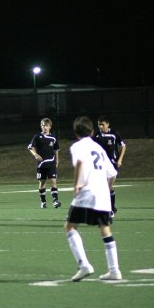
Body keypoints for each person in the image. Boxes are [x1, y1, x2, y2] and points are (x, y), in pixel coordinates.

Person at [65, 115, 122, 281]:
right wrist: (107, 188)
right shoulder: (99, 148)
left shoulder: (77, 146)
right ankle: (114, 270)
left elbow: (80, 163)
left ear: (76, 133)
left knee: (70, 227)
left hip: (86, 193)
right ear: (91, 131)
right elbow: (112, 174)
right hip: (102, 195)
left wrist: (76, 184)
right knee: (105, 229)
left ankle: (84, 265)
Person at [94, 115, 126, 215]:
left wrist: (120, 159)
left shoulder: (114, 134)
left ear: (107, 124)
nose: (100, 127)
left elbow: (123, 146)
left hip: (112, 165)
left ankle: (108, 210)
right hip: (101, 165)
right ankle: (111, 208)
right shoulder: (96, 135)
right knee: (108, 188)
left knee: (107, 187)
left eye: (102, 124)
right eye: (99, 125)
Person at [28, 117, 61, 209]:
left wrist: (57, 161)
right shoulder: (38, 136)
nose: (44, 127)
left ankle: (55, 201)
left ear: (50, 126)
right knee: (42, 183)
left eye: (46, 125)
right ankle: (43, 202)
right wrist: (35, 155)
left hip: (51, 163)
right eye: (43, 125)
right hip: (42, 164)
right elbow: (30, 147)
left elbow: (56, 150)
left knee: (53, 181)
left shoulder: (53, 138)